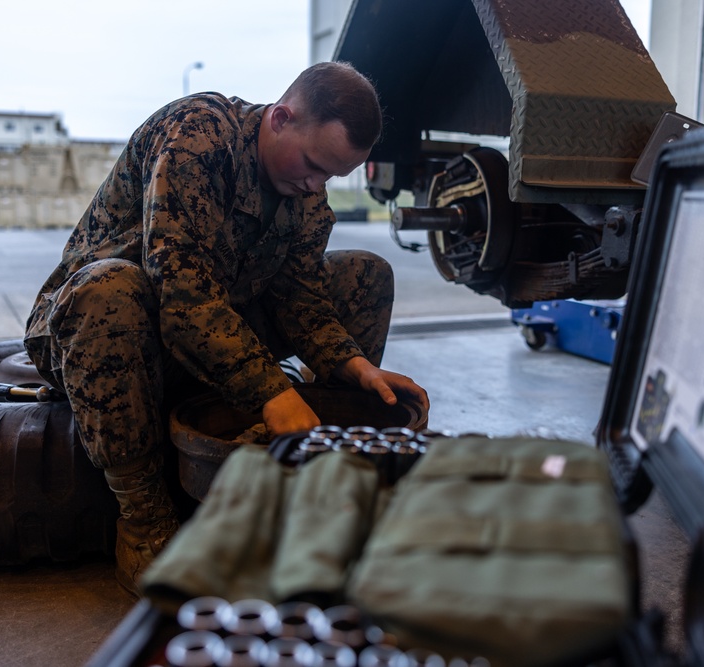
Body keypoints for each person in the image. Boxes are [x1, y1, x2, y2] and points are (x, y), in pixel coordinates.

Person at [23, 61, 430, 596]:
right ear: (281, 118)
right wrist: (272, 390)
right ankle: (144, 519)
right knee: (108, 290)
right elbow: (182, 294)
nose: (315, 185)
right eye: (312, 164)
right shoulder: (197, 137)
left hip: (215, 328)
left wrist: (354, 366)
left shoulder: (303, 190)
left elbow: (300, 295)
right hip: (108, 331)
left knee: (364, 274)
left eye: (329, 176)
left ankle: (312, 468)